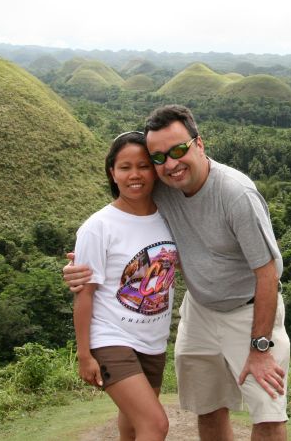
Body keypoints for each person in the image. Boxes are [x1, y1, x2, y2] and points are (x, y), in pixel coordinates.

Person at [66, 105, 290, 441]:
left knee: (268, 415)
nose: (170, 164)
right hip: (199, 312)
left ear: (199, 144)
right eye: (159, 157)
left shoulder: (235, 194)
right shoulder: (163, 187)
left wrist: (260, 348)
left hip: (248, 312)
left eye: (179, 150)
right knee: (208, 407)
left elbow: (267, 273)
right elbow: (121, 219)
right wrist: (79, 266)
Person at [73, 131, 177, 441]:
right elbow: (84, 295)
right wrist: (84, 354)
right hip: (111, 337)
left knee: (133, 424)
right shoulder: (98, 227)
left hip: (154, 340)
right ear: (112, 173)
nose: (135, 175)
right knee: (155, 424)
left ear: (155, 170)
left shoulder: (169, 218)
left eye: (144, 166)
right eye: (125, 167)